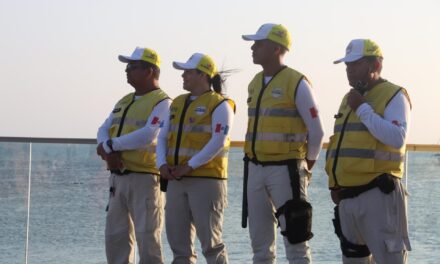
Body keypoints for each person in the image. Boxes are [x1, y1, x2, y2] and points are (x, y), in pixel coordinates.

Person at [241, 23, 324, 263]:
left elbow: (317, 131)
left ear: (277, 48)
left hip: (287, 170)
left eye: (259, 43)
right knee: (260, 246)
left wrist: (306, 166)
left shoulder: (296, 82)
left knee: (296, 242)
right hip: (255, 169)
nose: (253, 48)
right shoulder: (255, 82)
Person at [325, 39, 412, 263]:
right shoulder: (348, 99)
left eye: (355, 64)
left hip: (379, 195)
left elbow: (396, 138)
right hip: (347, 197)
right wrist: (334, 184)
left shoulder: (394, 95)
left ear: (376, 65)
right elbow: (339, 144)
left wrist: (363, 108)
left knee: (389, 258)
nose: (349, 71)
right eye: (347, 66)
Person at [156, 53, 235, 264]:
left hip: (207, 181)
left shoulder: (220, 104)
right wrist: (161, 164)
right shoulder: (177, 103)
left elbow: (219, 140)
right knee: (179, 246)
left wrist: (189, 166)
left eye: (188, 72)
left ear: (203, 75)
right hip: (175, 180)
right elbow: (162, 136)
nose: (183, 76)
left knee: (211, 244)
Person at [96, 47, 171, 264]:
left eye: (133, 67)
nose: (127, 71)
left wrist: (110, 146)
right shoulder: (125, 100)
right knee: (116, 238)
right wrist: (107, 148)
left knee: (148, 239)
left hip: (145, 179)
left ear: (149, 71)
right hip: (118, 178)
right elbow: (103, 128)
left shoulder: (162, 102)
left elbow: (149, 134)